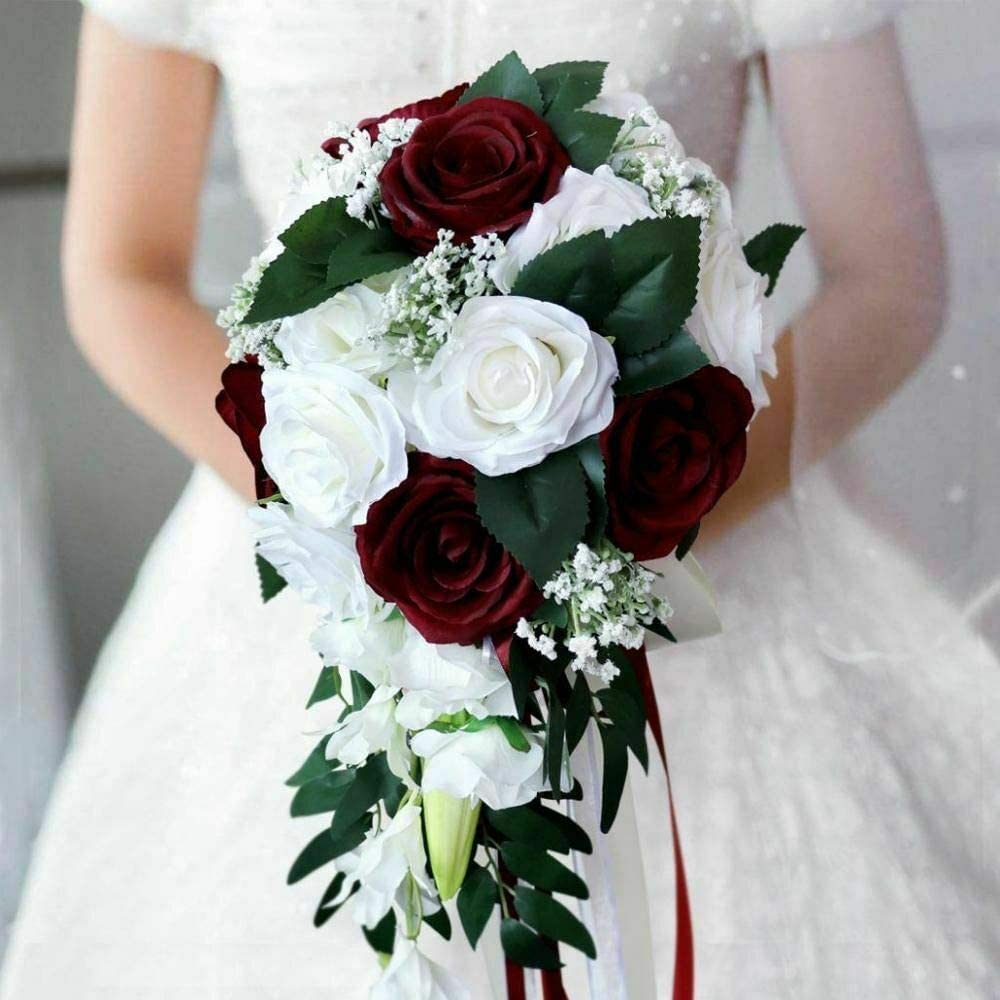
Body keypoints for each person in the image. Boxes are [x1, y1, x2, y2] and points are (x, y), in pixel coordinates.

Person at [4, 1, 997, 997]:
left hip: (695, 563)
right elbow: (119, 272)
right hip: (313, 563)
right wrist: (360, 518)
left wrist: (606, 548)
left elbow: (889, 282)